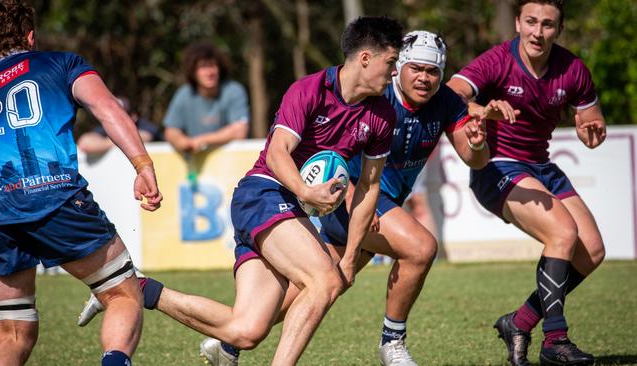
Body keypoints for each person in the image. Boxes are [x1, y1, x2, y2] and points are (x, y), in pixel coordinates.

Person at [78, 15, 403, 366]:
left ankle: (134, 288)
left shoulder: (382, 115)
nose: (395, 72)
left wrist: (352, 256)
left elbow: (369, 186)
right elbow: (278, 154)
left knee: (244, 331)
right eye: (391, 62)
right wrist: (305, 193)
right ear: (365, 58)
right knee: (323, 281)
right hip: (264, 194)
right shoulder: (310, 90)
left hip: (289, 211)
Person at [200, 30, 515, 366]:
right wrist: (340, 198)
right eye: (414, 68)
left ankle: (229, 343)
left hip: (382, 201)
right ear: (399, 66)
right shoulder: (378, 96)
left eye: (433, 71)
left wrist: (479, 142)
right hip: (352, 194)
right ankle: (392, 343)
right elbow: (347, 165)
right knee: (421, 248)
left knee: (326, 284)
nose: (424, 78)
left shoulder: (448, 102)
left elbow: (474, 159)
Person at [0, 1, 162, 366]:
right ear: (30, 36)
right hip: (52, 196)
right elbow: (108, 109)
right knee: (123, 294)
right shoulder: (60, 63)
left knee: (13, 333)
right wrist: (142, 163)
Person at [446, 1, 607, 365]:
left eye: (548, 25)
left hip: (541, 165)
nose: (538, 32)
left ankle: (518, 323)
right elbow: (452, 93)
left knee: (592, 251)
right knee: (563, 233)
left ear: (558, 29)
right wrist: (479, 109)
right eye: (531, 22)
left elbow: (592, 119)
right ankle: (555, 341)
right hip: (497, 166)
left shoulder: (573, 69)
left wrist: (591, 131)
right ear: (518, 22)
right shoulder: (496, 61)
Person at [163, 41, 249, 154]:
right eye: (203, 67)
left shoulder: (234, 91)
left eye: (212, 66)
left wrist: (203, 140)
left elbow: (240, 131)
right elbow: (170, 131)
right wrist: (183, 142)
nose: (209, 72)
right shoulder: (184, 94)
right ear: (193, 72)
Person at [77, 96, 163, 155]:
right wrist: (114, 143)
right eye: (112, 115)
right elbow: (85, 143)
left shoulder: (144, 125)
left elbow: (143, 137)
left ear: (133, 117)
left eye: (121, 116)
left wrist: (106, 143)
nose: (115, 120)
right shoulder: (107, 127)